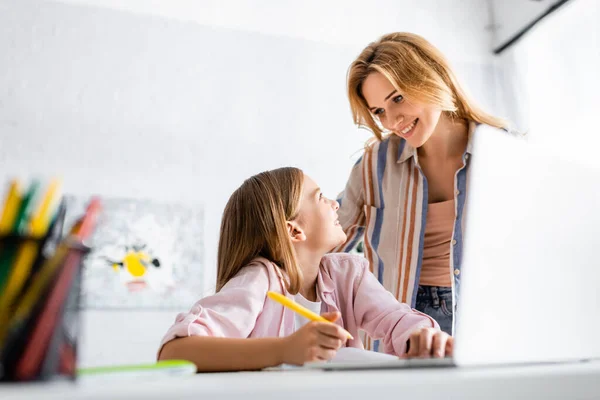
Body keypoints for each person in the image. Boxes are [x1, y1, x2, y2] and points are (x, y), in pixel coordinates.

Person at [158, 167, 452, 372]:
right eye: (320, 196)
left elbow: (395, 318)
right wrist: (285, 350)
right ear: (294, 230)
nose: (334, 204)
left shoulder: (348, 274)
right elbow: (174, 353)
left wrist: (422, 336)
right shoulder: (260, 279)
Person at [334, 32, 509, 342]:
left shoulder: (503, 151)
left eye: (398, 98)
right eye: (379, 112)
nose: (392, 121)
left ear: (430, 77)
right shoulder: (375, 163)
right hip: (400, 324)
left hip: (485, 319)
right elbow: (328, 244)